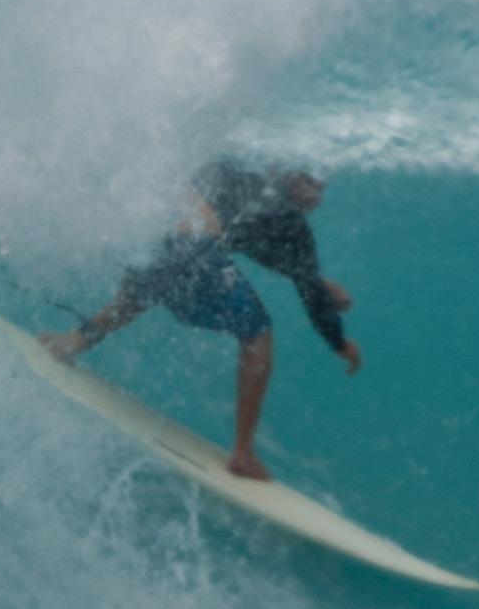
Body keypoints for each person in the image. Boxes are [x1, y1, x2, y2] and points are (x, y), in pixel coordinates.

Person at [45, 159, 363, 481]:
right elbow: (309, 294)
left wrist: (317, 283)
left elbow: (258, 244)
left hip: (160, 241)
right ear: (294, 178)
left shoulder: (241, 172)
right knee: (258, 332)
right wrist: (337, 341)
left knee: (140, 294)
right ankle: (243, 452)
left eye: (321, 191)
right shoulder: (291, 222)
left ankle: (71, 343)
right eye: (314, 188)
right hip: (196, 254)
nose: (317, 199)